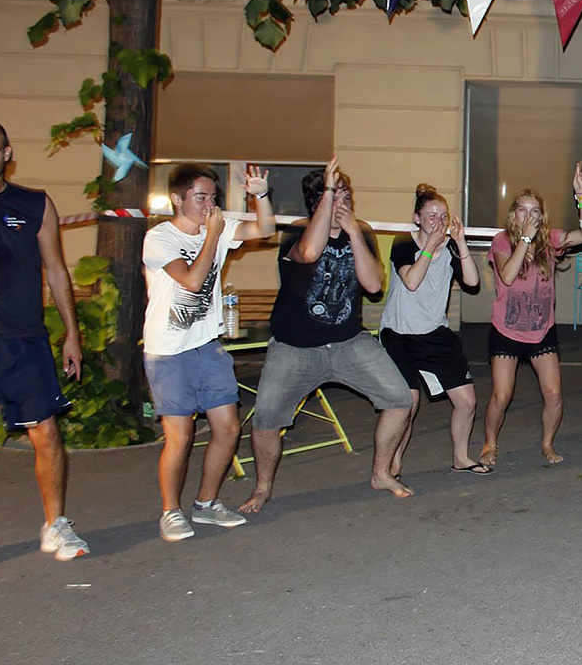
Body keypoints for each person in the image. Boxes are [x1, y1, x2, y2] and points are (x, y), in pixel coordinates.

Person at [239, 158, 415, 513]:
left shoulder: (360, 232)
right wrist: (329, 197)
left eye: (347, 197)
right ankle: (262, 488)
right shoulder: (296, 232)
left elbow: (373, 284)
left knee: (399, 399)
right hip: (295, 346)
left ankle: (381, 473)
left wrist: (353, 232)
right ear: (318, 202)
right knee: (266, 420)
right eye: (335, 197)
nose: (343, 205)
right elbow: (309, 253)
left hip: (348, 341)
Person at [142, 163, 276, 541]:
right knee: (180, 437)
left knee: (229, 427)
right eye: (200, 197)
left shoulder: (217, 227)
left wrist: (261, 196)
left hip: (207, 344)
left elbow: (264, 229)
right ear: (177, 198)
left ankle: (206, 503)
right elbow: (192, 279)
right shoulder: (159, 238)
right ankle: (170, 511)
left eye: (212, 198)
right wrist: (213, 235)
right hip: (169, 350)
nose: (208, 206)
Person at [0, 121, 88, 560]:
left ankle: (55, 525)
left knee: (46, 434)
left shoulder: (33, 204)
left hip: (23, 339)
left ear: (6, 153)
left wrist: (72, 333)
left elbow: (55, 269)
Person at [479, 164, 582, 466]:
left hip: (541, 331)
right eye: (522, 210)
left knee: (554, 393)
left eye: (534, 211)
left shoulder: (550, 239)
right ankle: (490, 443)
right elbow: (507, 276)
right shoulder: (502, 241)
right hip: (506, 330)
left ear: (542, 216)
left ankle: (547, 444)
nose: (528, 216)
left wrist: (581, 196)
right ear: (513, 214)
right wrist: (525, 241)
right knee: (501, 396)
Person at [379, 183, 487, 476]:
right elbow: (411, 282)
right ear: (417, 218)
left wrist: (461, 243)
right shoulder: (404, 241)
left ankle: (461, 458)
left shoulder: (450, 246)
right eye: (431, 215)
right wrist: (429, 247)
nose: (438, 221)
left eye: (443, 216)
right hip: (399, 333)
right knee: (408, 402)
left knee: (467, 401)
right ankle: (394, 462)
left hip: (435, 332)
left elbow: (472, 282)